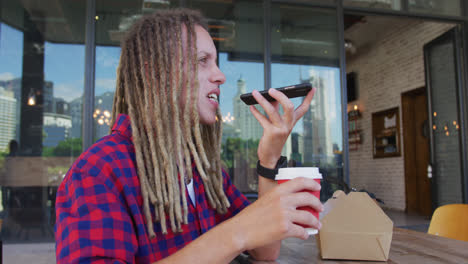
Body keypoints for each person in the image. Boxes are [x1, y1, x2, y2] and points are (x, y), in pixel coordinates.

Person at [55, 8, 322, 264]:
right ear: (153, 73)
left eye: (216, 62)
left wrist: (269, 156)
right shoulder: (97, 171)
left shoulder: (204, 169)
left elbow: (265, 252)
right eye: (202, 61)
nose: (220, 75)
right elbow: (243, 234)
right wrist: (236, 233)